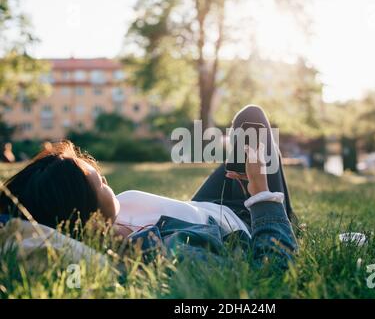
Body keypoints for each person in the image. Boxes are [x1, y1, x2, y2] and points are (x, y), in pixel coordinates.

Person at [0, 105, 297, 266]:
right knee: (255, 125)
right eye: (99, 183)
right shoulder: (161, 250)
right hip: (246, 222)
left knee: (249, 121)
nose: (104, 179)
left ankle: (272, 192)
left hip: (212, 206)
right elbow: (271, 271)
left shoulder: (119, 210)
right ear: (87, 220)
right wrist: (262, 199)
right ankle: (285, 221)